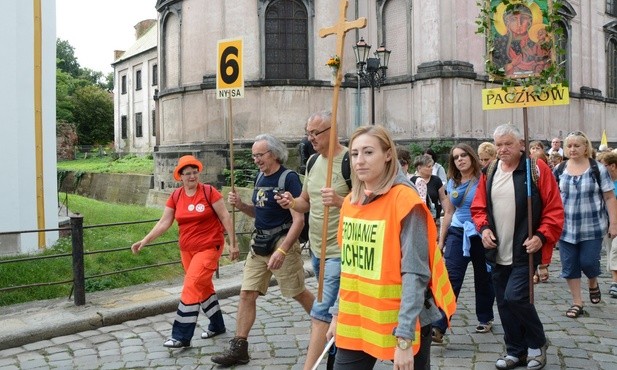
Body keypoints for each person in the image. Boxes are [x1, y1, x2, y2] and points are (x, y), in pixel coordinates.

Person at [327, 125, 451, 370]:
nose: (360, 161)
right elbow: (350, 267)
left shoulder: (405, 201)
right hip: (358, 319)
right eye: (354, 154)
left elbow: (415, 272)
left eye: (368, 152)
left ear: (387, 155)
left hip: (404, 320)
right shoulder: (351, 202)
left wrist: (404, 338)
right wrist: (337, 313)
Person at [211, 134, 315, 366]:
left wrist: (283, 251)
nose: (256, 160)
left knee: (297, 292)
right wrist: (241, 205)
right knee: (247, 293)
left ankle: (325, 326)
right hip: (259, 243)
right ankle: (239, 347)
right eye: (254, 155)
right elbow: (258, 213)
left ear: (275, 154)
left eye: (260, 155)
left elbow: (298, 220)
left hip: (282, 241)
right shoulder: (260, 177)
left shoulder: (289, 179)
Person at [471, 123, 564, 370]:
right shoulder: (489, 170)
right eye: (499, 144)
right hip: (497, 249)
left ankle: (537, 343)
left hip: (525, 249)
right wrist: (484, 229)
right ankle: (515, 350)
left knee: (516, 298)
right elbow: (478, 207)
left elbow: (554, 209)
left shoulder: (536, 169)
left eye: (508, 144)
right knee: (503, 302)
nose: (502, 149)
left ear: (521, 144)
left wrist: (541, 236)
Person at [131, 155, 240, 348]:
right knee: (203, 287)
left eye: (195, 172)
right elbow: (165, 222)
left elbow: (225, 217)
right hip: (187, 250)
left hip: (209, 247)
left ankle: (181, 335)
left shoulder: (209, 192)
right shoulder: (176, 196)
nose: (192, 176)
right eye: (187, 173)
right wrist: (145, 240)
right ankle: (217, 325)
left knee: (191, 286)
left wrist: (233, 244)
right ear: (179, 176)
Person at [276, 111, 351, 370]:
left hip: (340, 251)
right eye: (308, 133)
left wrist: (342, 202)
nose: (310, 138)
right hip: (317, 251)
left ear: (333, 130)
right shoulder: (312, 162)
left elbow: (369, 204)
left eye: (315, 133)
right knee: (332, 312)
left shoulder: (351, 161)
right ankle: (337, 356)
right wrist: (291, 202)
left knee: (319, 312)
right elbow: (305, 203)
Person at [431, 144, 494, 343]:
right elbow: (448, 212)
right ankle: (439, 326)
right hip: (458, 233)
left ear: (472, 156)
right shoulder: (453, 182)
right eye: (456, 157)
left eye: (464, 155)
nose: (460, 159)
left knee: (483, 278)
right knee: (451, 278)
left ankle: (485, 317)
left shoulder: (485, 178)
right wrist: (441, 241)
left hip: (481, 233)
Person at [554, 131, 617, 318]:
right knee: (569, 265)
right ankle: (577, 302)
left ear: (585, 147)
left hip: (593, 226)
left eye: (577, 145)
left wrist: (614, 223)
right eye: (569, 146)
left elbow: (609, 196)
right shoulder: (560, 169)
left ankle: (592, 281)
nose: (572, 149)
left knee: (589, 262)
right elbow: (551, 196)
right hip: (566, 228)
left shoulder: (598, 169)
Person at [411, 154, 452, 224]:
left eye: (432, 166)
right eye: (428, 166)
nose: (432, 168)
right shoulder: (412, 181)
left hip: (435, 219)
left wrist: (447, 213)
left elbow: (443, 198)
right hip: (418, 220)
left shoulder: (436, 180)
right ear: (419, 168)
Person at [599, 151, 617, 298]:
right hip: (607, 221)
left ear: (613, 166)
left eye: (604, 166)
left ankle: (615, 282)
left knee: (616, 250)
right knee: (611, 249)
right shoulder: (602, 182)